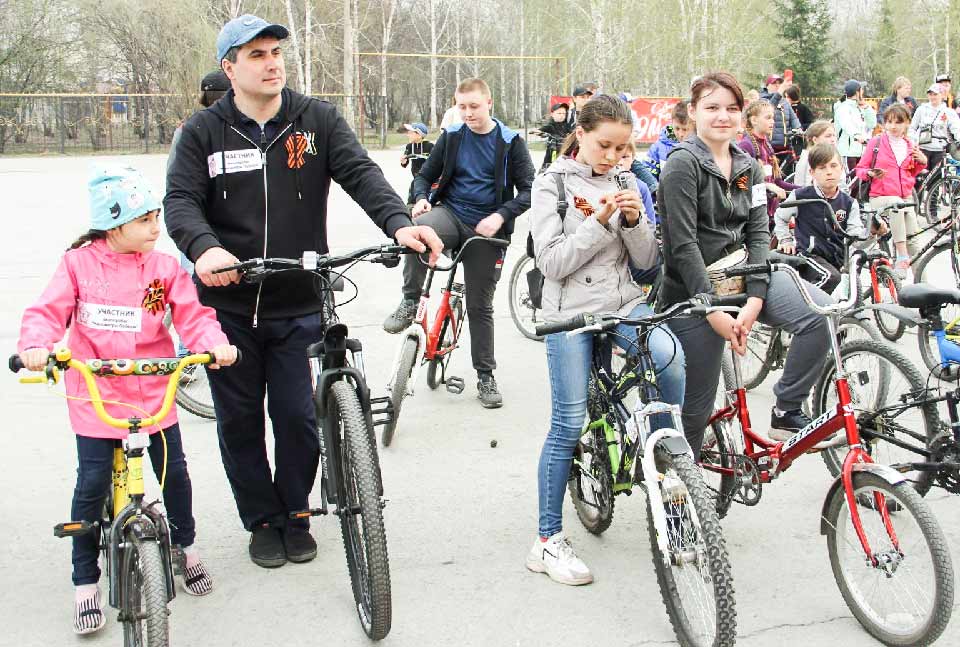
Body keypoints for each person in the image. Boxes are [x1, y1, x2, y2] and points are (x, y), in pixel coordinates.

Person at [164, 14, 442, 569]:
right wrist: (204, 248)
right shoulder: (203, 132)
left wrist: (397, 223)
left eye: (276, 53)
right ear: (230, 67)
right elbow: (180, 201)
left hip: (298, 301)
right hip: (228, 309)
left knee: (295, 415)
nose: (272, 63)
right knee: (240, 423)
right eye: (257, 55)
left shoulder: (314, 120)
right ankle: (261, 520)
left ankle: (294, 513)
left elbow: (361, 173)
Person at [17, 165, 238, 635]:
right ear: (113, 225)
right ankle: (84, 582)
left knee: (173, 474)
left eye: (157, 216)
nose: (157, 227)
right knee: (92, 482)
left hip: (152, 392)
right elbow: (47, 311)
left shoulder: (163, 267)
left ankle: (186, 547)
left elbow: (193, 316)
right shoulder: (78, 264)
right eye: (144, 219)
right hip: (96, 394)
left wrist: (212, 343)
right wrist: (36, 345)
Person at [526, 94, 683, 585]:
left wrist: (636, 222)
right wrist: (597, 221)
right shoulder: (550, 183)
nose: (613, 157)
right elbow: (550, 262)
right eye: (604, 146)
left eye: (622, 148)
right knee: (569, 421)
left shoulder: (629, 181)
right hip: (568, 314)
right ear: (581, 133)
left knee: (670, 357)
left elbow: (646, 264)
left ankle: (667, 458)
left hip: (623, 304)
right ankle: (547, 540)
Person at [658, 71, 833, 453]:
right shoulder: (681, 165)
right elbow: (683, 246)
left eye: (732, 109)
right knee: (697, 408)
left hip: (744, 274)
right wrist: (711, 312)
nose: (723, 116)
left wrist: (755, 298)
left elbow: (757, 233)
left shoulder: (748, 166)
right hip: (693, 290)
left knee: (820, 315)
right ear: (693, 112)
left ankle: (787, 410)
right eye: (712, 108)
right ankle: (679, 489)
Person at [382, 77, 535, 408]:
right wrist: (421, 197)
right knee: (418, 230)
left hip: (487, 227)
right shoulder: (451, 137)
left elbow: (528, 190)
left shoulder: (510, 142)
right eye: (461, 106)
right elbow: (424, 176)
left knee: (481, 306)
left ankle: (485, 376)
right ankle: (410, 301)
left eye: (474, 106)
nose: (467, 113)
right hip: (450, 215)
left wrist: (500, 216)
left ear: (489, 103)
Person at [775, 143, 884, 293]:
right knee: (831, 278)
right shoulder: (801, 196)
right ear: (812, 172)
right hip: (809, 255)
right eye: (822, 168)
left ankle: (851, 305)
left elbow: (855, 238)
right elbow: (780, 216)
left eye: (833, 166)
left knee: (859, 258)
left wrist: (872, 233)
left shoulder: (849, 202)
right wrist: (785, 239)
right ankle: (802, 305)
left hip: (838, 256)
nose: (829, 172)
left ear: (842, 169)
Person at [858, 104, 928, 277]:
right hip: (880, 197)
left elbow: (910, 172)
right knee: (896, 204)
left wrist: (922, 161)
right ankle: (901, 255)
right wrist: (870, 173)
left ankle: (925, 288)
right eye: (889, 122)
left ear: (907, 123)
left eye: (898, 122)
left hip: (905, 198)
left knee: (915, 243)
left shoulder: (910, 145)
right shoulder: (876, 142)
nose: (893, 126)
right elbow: (860, 169)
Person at [738, 100, 799, 227]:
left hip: (770, 211)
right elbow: (741, 183)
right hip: (753, 215)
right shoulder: (746, 145)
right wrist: (766, 186)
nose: (772, 121)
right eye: (768, 118)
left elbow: (777, 181)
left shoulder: (767, 145)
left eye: (773, 118)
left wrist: (803, 190)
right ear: (754, 120)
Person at [909, 83, 960, 191]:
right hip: (922, 149)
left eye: (935, 94)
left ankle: (932, 206)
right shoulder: (922, 109)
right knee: (919, 179)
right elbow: (912, 127)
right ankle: (917, 205)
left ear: (942, 95)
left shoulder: (948, 112)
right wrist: (912, 141)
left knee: (936, 181)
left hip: (939, 150)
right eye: (930, 94)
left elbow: (956, 129)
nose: (933, 97)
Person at [835, 79, 877, 169]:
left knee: (861, 181)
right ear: (857, 92)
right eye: (861, 90)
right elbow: (846, 124)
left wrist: (866, 107)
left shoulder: (861, 107)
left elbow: (872, 124)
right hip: (848, 152)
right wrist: (856, 135)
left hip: (861, 151)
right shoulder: (843, 107)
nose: (863, 92)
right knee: (851, 180)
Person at [644, 101, 693, 179]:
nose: (680, 134)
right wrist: (655, 189)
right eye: (677, 128)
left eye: (685, 129)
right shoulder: (658, 147)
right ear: (672, 123)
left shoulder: (704, 146)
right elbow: (647, 175)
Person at [759, 73, 801, 151]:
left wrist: (798, 129)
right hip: (768, 146)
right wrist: (779, 93)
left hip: (786, 146)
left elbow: (793, 118)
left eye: (779, 83)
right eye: (774, 83)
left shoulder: (784, 102)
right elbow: (768, 109)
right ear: (767, 86)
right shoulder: (762, 100)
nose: (777, 85)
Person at [793, 120, 837, 186]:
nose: (833, 139)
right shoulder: (812, 158)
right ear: (815, 140)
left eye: (834, 135)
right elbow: (809, 185)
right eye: (828, 136)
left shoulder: (831, 155)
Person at [400, 122, 434, 204]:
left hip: (428, 179)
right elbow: (405, 163)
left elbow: (436, 162)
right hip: (416, 178)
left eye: (410, 133)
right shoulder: (409, 146)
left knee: (429, 200)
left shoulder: (430, 146)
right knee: (411, 201)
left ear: (419, 135)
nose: (408, 134)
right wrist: (403, 162)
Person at [537, 102, 572, 170]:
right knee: (548, 170)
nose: (562, 115)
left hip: (564, 155)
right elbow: (541, 130)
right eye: (559, 113)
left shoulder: (567, 126)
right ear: (552, 114)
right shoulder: (550, 126)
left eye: (564, 113)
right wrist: (539, 132)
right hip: (552, 154)